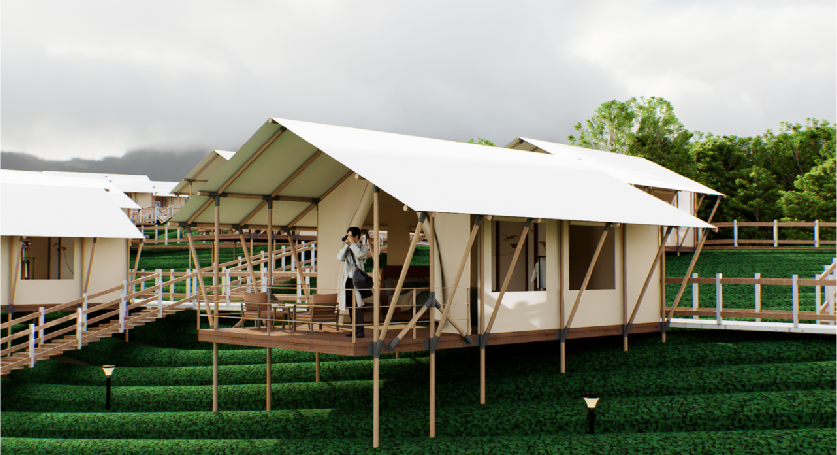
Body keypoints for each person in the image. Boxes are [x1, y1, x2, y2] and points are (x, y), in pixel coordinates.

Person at [337, 227, 369, 338]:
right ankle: (354, 329)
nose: (348, 237)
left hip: (357, 281)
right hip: (348, 281)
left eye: (350, 236)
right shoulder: (348, 248)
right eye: (348, 235)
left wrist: (353, 244)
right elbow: (340, 257)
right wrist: (346, 245)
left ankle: (361, 330)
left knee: (357, 305)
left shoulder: (363, 247)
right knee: (350, 305)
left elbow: (359, 255)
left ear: (356, 236)